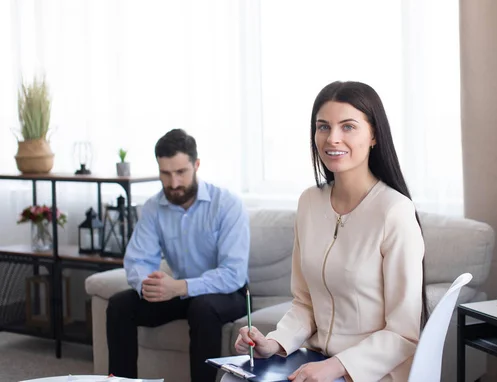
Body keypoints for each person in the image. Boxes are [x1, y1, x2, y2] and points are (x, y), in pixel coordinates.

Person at [232, 81, 427, 382]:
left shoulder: (394, 211)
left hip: (370, 372)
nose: (332, 138)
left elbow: (403, 333)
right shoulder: (309, 202)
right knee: (231, 378)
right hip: (316, 359)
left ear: (374, 134)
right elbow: (305, 302)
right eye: (323, 127)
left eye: (348, 127)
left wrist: (337, 366)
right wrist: (274, 342)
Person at [106, 128, 250, 382]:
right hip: (180, 292)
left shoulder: (227, 204)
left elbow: (233, 274)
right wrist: (148, 285)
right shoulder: (153, 207)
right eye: (166, 174)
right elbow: (137, 260)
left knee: (203, 308)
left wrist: (180, 287)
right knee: (120, 305)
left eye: (181, 172)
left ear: (196, 165)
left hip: (229, 293)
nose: (173, 184)